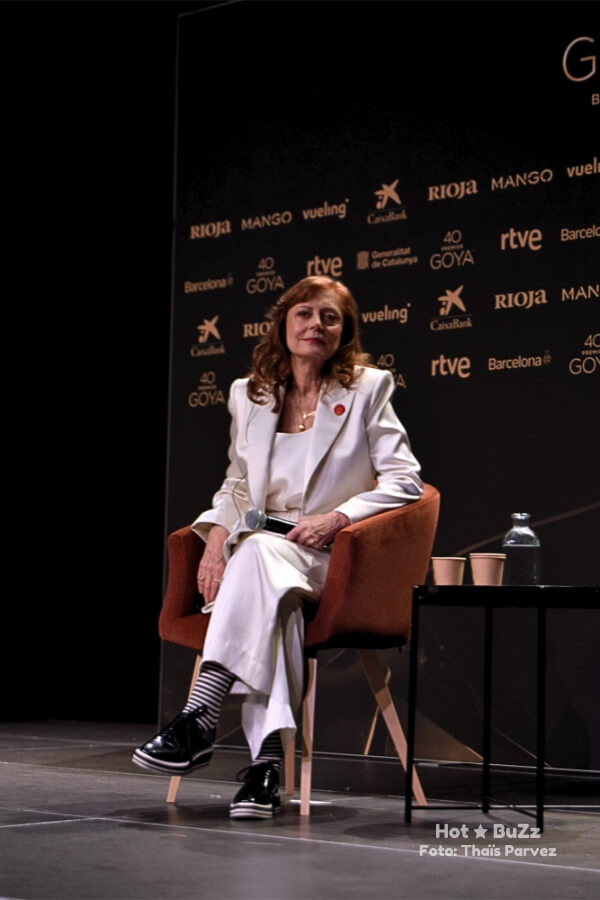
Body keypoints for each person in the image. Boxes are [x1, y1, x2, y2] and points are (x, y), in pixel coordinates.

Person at [132, 275, 424, 819]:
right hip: (267, 560)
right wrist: (216, 537)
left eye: (331, 317)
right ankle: (265, 770)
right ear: (284, 324)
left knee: (260, 560)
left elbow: (406, 481)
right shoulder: (251, 394)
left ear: (344, 331)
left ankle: (199, 716)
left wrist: (338, 518)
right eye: (306, 314)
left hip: (332, 561)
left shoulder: (368, 388)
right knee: (274, 600)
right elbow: (237, 486)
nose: (317, 325)